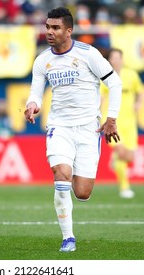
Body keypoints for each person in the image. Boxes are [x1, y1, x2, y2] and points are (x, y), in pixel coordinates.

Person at [24, 7, 122, 252]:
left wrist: (111, 118)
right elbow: (35, 92)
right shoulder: (42, 60)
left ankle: (75, 200)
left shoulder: (89, 54)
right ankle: (68, 237)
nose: (49, 31)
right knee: (61, 173)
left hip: (89, 129)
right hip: (60, 127)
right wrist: (32, 104)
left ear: (69, 30)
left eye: (55, 27)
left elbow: (115, 83)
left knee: (82, 193)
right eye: (47, 27)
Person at [100, 48, 144, 199]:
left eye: (119, 57)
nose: (116, 60)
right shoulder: (105, 77)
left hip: (130, 122)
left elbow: (141, 92)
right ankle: (125, 187)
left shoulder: (131, 75)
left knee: (129, 157)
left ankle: (115, 160)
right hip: (112, 122)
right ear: (110, 60)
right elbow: (100, 98)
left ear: (122, 59)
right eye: (114, 58)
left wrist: (138, 103)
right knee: (121, 152)